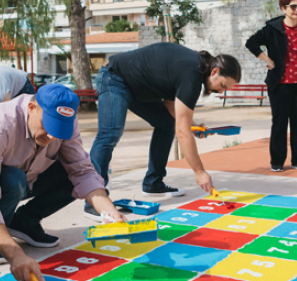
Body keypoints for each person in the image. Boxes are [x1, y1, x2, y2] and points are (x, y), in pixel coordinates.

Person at [0, 84, 124, 274]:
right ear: (32, 109)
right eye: (48, 125)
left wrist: (110, 213)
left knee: (93, 167)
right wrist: (16, 255)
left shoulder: (67, 122)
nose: (51, 136)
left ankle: (24, 222)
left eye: (58, 129)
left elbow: (82, 172)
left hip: (25, 178)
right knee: (12, 179)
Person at [88, 44, 241, 215]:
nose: (220, 91)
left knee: (166, 123)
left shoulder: (195, 70)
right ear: (215, 72)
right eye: (223, 86)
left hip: (137, 88)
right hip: (114, 76)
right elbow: (181, 132)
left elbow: (170, 104)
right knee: (110, 133)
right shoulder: (192, 75)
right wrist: (199, 172)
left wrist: (192, 126)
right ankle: (95, 201)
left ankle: (153, 183)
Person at [246, 0, 297, 172]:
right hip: (280, 85)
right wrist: (267, 60)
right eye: (293, 6)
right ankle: (277, 162)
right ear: (283, 8)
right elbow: (251, 43)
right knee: (279, 123)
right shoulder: (273, 28)